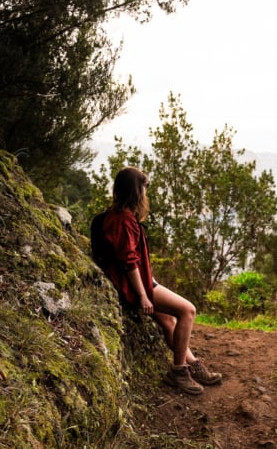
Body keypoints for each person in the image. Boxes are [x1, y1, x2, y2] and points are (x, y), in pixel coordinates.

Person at [101, 166, 222, 395]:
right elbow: (129, 262)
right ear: (136, 192)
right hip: (135, 287)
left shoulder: (118, 216)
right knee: (188, 311)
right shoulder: (124, 221)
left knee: (168, 322)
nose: (146, 195)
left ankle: (193, 366)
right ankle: (178, 371)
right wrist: (144, 295)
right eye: (144, 189)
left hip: (143, 282)